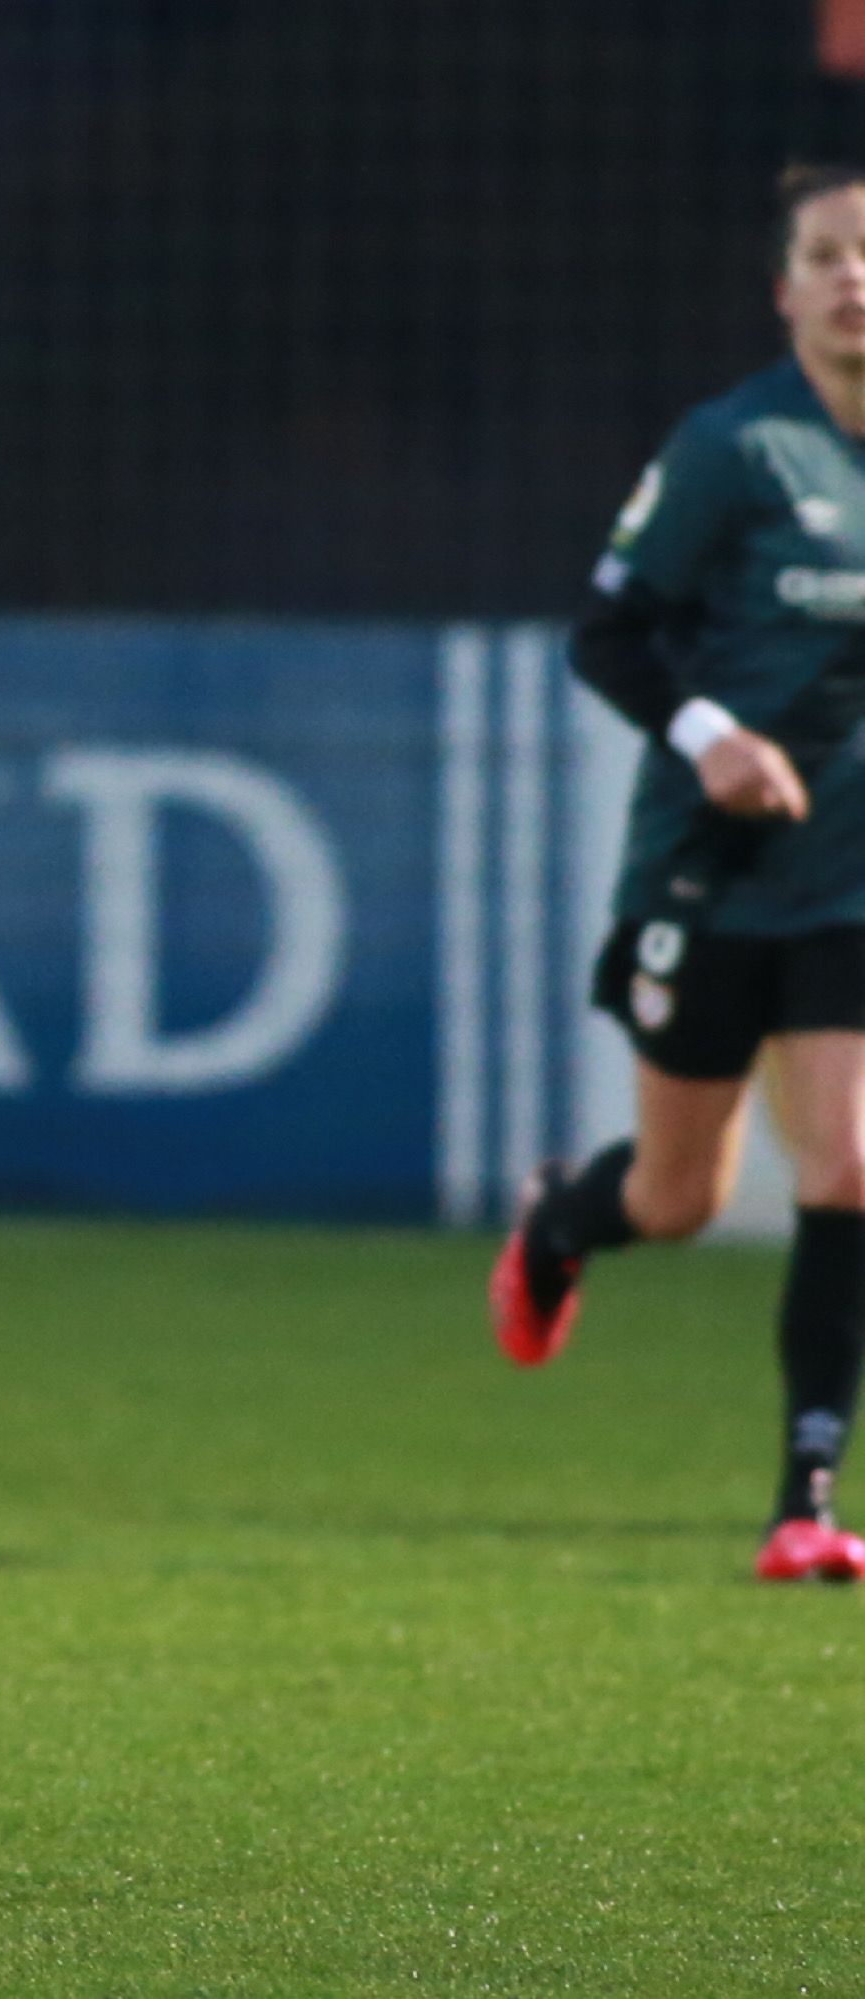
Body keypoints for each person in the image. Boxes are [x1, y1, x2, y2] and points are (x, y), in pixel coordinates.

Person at [495, 162, 865, 1582]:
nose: (851, 278)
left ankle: (804, 1499)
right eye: (824, 256)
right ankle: (560, 1222)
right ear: (784, 290)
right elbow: (608, 634)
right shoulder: (736, 447)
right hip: (713, 869)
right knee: (678, 1198)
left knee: (848, 1163)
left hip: (848, 878)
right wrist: (713, 738)